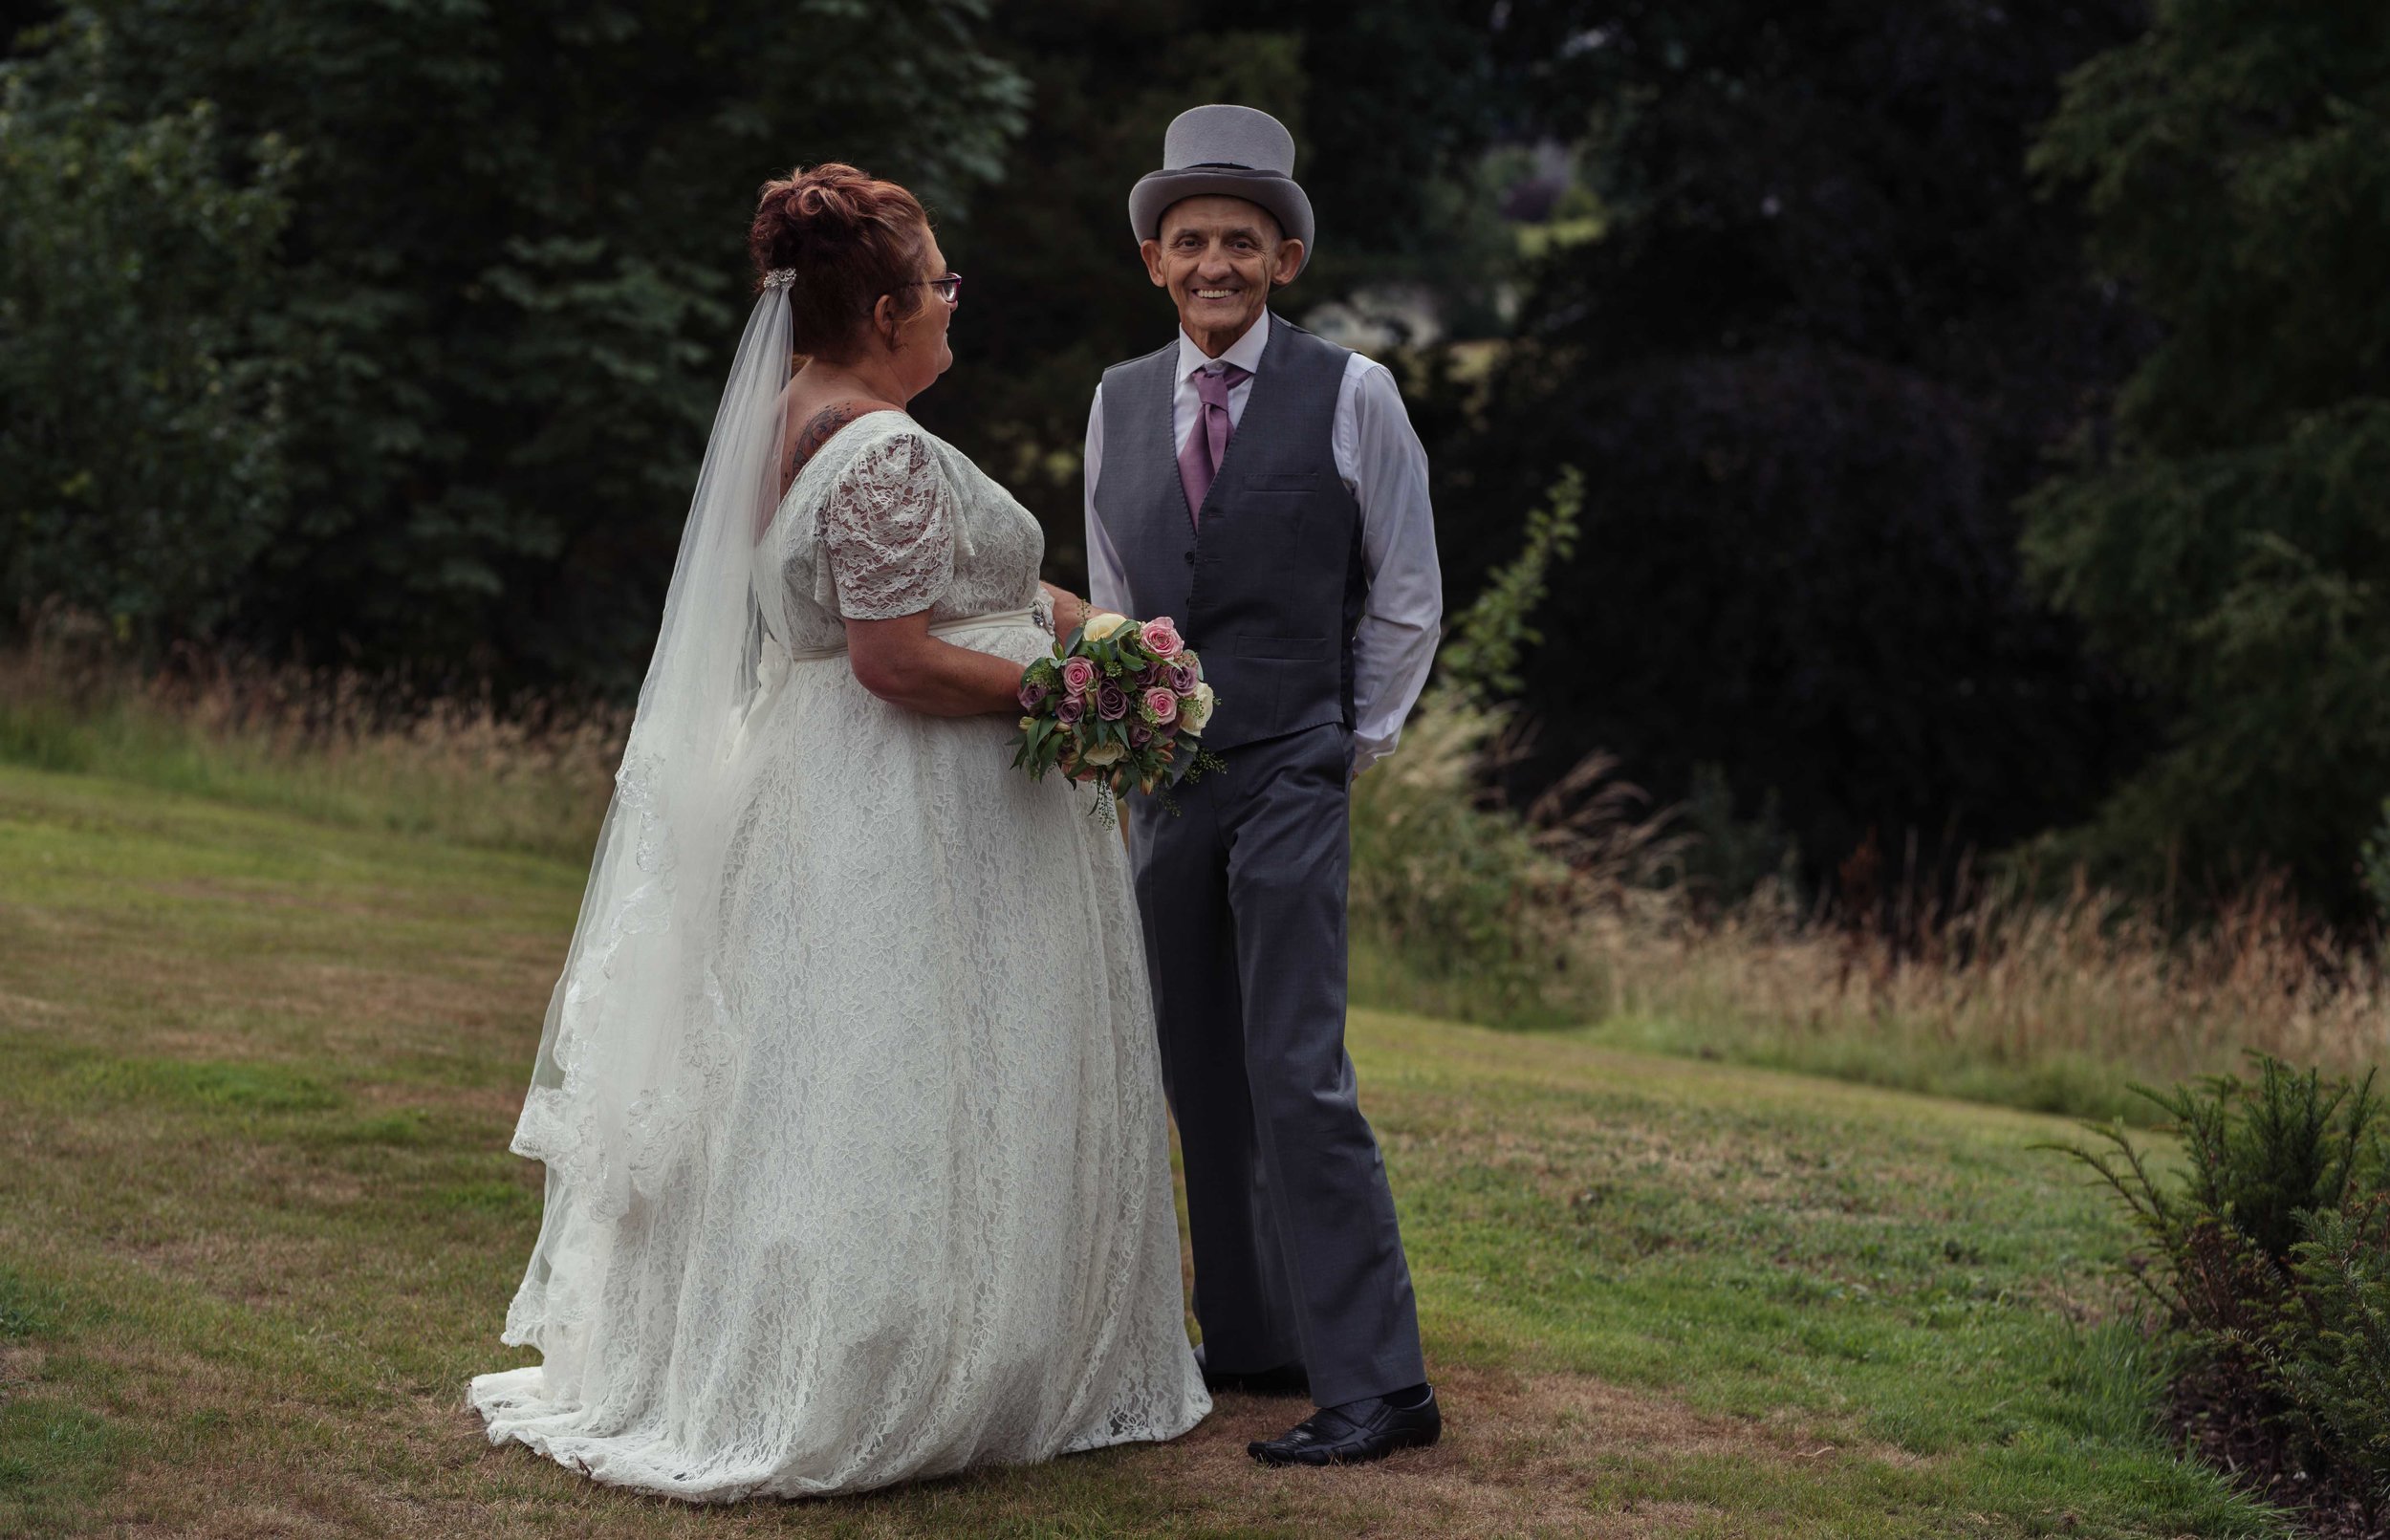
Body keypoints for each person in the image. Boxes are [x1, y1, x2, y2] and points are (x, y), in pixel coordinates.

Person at [467, 163, 1208, 1500]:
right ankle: (893, 1360)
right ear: (881, 308)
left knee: (833, 1074)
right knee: (904, 1071)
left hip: (832, 794)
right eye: (937, 282)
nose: (950, 301)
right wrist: (1074, 695)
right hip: (909, 810)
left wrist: (1103, 634)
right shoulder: (882, 449)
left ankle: (881, 1332)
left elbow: (952, 587)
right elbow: (898, 659)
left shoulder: (793, 420)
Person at [1084, 104, 1446, 1466]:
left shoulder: (1355, 393)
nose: (1217, 261)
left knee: (1297, 1066)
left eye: (1245, 239)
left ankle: (1380, 1384)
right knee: (1195, 1064)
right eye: (1193, 241)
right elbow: (1116, 597)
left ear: (1286, 258)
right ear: (1154, 259)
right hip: (1168, 778)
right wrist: (1127, 748)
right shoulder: (1117, 401)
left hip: (1298, 762)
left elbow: (1406, 595)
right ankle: (1248, 1337)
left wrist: (1348, 747)